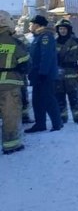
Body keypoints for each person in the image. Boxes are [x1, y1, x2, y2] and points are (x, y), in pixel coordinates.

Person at [26, 15, 62, 133]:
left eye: (32, 24)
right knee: (37, 100)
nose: (30, 26)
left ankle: (57, 124)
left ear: (38, 25)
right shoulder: (37, 37)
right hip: (37, 75)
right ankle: (40, 124)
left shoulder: (46, 37)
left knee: (48, 98)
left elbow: (46, 56)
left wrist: (43, 73)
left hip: (45, 75)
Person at [0, 10, 29, 153]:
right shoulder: (13, 41)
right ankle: (11, 145)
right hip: (9, 85)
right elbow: (25, 63)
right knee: (10, 115)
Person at [54, 19, 78, 125]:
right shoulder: (54, 43)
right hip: (58, 75)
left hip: (73, 75)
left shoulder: (77, 42)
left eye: (64, 29)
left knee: (75, 97)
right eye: (60, 29)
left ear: (68, 30)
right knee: (59, 97)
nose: (62, 31)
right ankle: (61, 118)